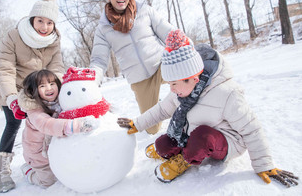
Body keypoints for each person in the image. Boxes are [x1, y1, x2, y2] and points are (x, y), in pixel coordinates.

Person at [117, 29, 299, 187]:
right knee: (162, 144)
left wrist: (264, 164)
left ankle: (185, 159)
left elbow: (251, 128)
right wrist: (137, 123)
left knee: (202, 136)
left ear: (193, 79)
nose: (171, 89)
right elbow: (162, 110)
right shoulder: (180, 90)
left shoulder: (227, 93)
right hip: (192, 134)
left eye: (174, 84)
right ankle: (180, 149)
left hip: (226, 141)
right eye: (169, 84)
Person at [0, 0, 65, 193]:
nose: (44, 26)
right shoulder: (14, 36)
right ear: (32, 19)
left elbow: (57, 67)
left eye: (49, 22)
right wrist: (13, 99)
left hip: (37, 88)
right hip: (9, 87)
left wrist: (54, 87)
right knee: (13, 123)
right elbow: (4, 69)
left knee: (47, 118)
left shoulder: (54, 40)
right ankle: (2, 170)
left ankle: (47, 155)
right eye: (40, 20)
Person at [90, 0, 176, 134]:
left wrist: (184, 44)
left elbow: (169, 32)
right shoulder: (103, 28)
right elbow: (98, 59)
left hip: (161, 64)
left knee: (188, 78)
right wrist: (93, 78)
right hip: (139, 78)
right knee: (152, 128)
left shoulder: (145, 10)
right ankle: (157, 104)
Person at [18, 70, 93, 188]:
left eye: (52, 84)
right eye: (42, 86)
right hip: (39, 155)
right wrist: (76, 125)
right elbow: (47, 124)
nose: (49, 88)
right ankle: (29, 172)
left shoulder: (60, 100)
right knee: (49, 182)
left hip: (53, 147)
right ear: (33, 91)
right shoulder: (34, 111)